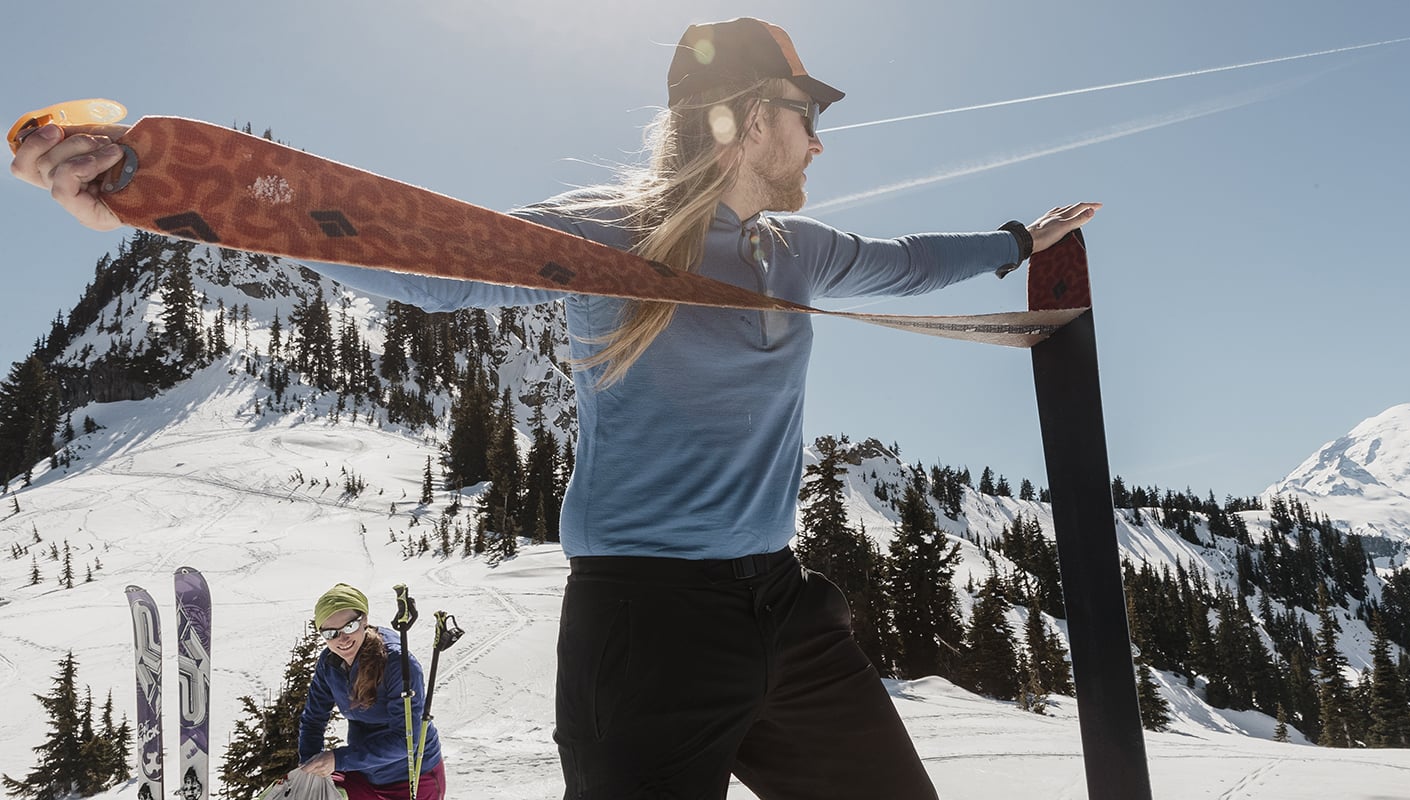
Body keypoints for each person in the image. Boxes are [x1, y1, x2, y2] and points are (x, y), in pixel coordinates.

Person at [12, 16, 1098, 799]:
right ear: (751, 119)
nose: (819, 140)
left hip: (784, 610)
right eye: (806, 117)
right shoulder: (606, 235)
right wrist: (152, 188)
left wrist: (1016, 244)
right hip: (645, 628)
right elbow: (430, 262)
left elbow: (905, 263)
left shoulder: (795, 250)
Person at [298, 584, 446, 800]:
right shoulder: (329, 663)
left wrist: (337, 760)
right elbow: (313, 719)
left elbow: (406, 739)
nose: (342, 639)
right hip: (362, 772)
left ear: (364, 620)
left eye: (349, 627)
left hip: (411, 776)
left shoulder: (397, 664)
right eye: (331, 633)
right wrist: (308, 768)